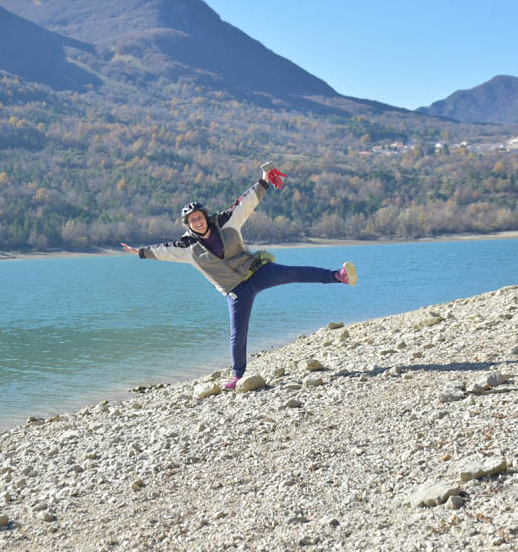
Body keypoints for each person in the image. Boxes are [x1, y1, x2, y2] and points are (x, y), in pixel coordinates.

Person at [121, 163, 357, 390]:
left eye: (199, 217)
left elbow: (245, 203)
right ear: (188, 225)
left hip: (256, 272)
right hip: (235, 291)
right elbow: (164, 251)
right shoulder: (186, 247)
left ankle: (338, 276)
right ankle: (238, 376)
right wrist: (139, 252)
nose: (197, 221)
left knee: (293, 273)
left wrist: (264, 181)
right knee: (238, 333)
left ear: (205, 216)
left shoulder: (226, 221)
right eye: (192, 220)